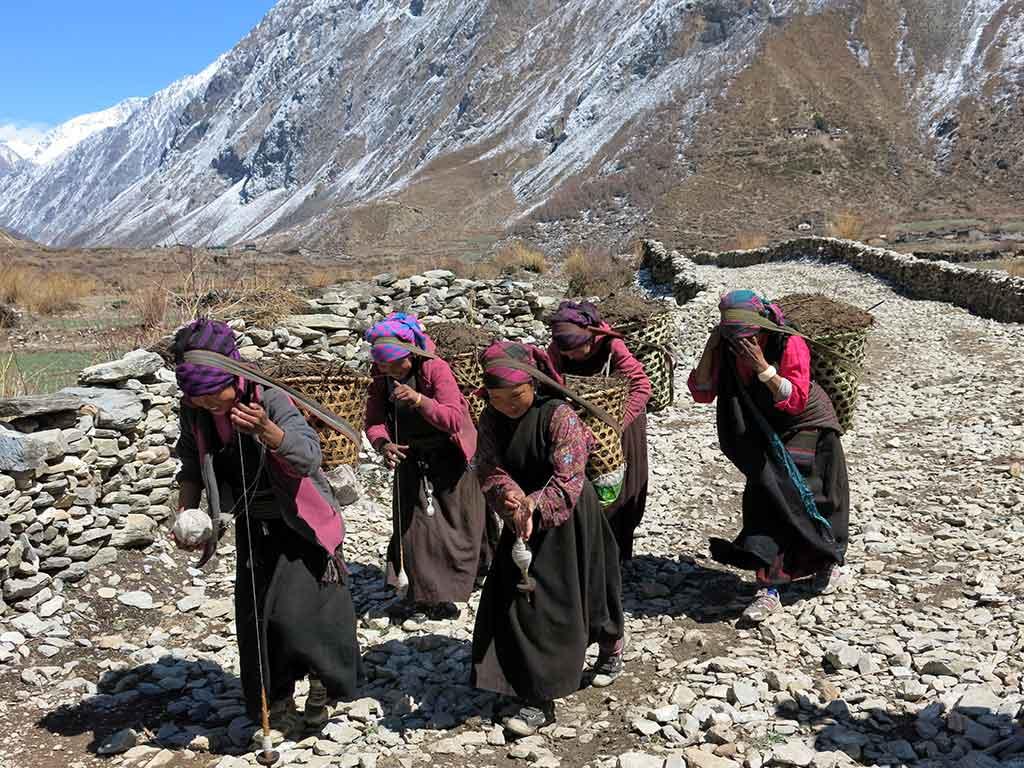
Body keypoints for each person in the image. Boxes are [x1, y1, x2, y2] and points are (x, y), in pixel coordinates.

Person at [171, 318, 360, 739]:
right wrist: (185, 513)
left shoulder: (268, 397)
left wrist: (267, 432)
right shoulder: (196, 410)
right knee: (258, 618)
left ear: (232, 375)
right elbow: (190, 461)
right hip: (254, 523)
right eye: (196, 400)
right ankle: (275, 701)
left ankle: (322, 685)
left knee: (303, 616)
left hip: (301, 522)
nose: (206, 405)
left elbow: (309, 457)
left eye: (210, 396)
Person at [471, 341, 625, 736]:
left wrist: (534, 504)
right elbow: (487, 466)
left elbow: (569, 476)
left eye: (516, 395)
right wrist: (509, 496)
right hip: (519, 516)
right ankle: (535, 694)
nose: (507, 405)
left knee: (587, 587)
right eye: (497, 397)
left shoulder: (559, 416)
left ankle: (609, 648)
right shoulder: (490, 419)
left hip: (570, 516)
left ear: (534, 387)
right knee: (523, 599)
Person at [688, 290, 851, 622]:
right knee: (766, 498)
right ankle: (769, 586)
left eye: (750, 336)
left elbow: (795, 398)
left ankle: (827, 563)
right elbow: (702, 391)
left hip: (809, 424)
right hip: (765, 430)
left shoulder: (787, 343)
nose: (744, 344)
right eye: (734, 337)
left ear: (763, 327)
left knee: (817, 497)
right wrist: (713, 345)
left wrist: (761, 366)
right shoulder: (728, 347)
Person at [364, 312, 485, 625]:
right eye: (382, 365)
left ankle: (456, 586)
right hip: (411, 457)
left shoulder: (435, 368)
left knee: (455, 527)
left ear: (411, 355)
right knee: (413, 529)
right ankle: (423, 593)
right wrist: (382, 444)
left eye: (393, 364)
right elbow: (374, 420)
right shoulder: (381, 376)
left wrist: (419, 400)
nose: (387, 370)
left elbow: (454, 419)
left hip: (449, 457)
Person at [547, 300, 652, 561]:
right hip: (577, 425)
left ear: (591, 338)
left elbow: (641, 386)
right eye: (565, 352)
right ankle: (584, 552)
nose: (570, 356)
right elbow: (552, 382)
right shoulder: (558, 349)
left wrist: (614, 426)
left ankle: (615, 555)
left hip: (620, 425)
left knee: (620, 486)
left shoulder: (611, 346)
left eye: (575, 350)